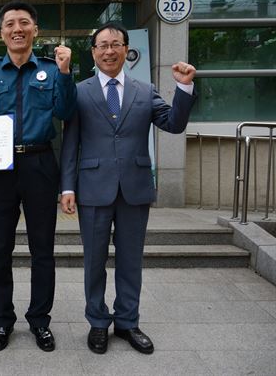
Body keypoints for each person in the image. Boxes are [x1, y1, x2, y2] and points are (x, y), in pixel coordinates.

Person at [60, 22, 197, 355]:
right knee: (94, 261)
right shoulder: (79, 91)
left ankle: (127, 322)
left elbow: (174, 124)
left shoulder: (145, 89)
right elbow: (70, 143)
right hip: (92, 187)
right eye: (102, 45)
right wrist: (67, 187)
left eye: (115, 44)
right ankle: (97, 322)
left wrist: (184, 89)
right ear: (93, 52)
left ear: (126, 50)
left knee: (131, 259)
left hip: (134, 188)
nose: (109, 50)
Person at [0, 1, 77, 352]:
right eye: (10, 24)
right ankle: (2, 321)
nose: (17, 29)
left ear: (35, 30)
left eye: (24, 23)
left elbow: (65, 112)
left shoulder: (51, 68)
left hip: (39, 164)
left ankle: (39, 321)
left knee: (42, 249)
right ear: (1, 32)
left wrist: (65, 73)